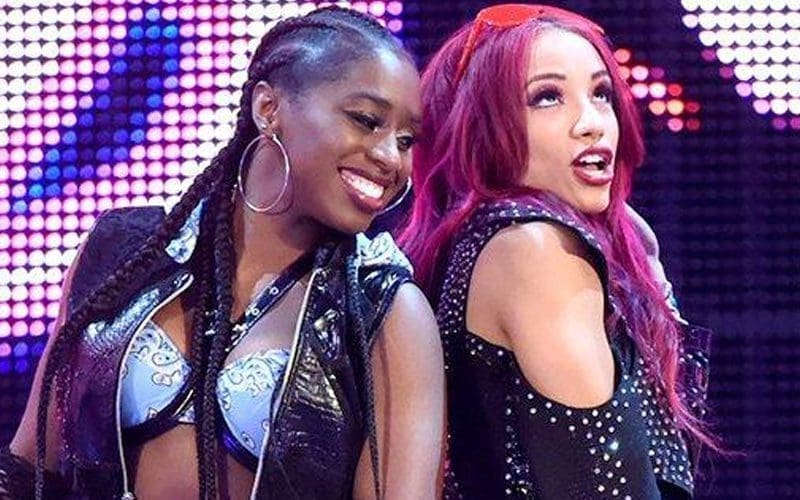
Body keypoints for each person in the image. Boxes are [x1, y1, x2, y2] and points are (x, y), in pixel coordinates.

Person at [1, 6, 444, 499]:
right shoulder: (123, 251)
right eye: (366, 120)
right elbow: (29, 468)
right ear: (268, 108)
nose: (390, 158)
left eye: (406, 140)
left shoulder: (386, 311)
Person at [400, 4, 713, 498]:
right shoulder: (536, 250)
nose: (592, 123)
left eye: (601, 94)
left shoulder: (485, 243)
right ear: (481, 124)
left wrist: (653, 277)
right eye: (547, 97)